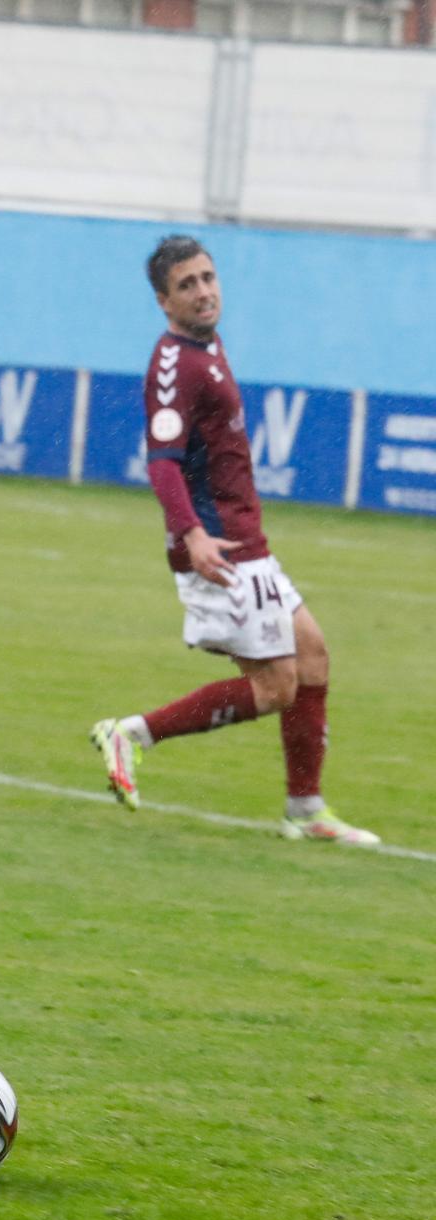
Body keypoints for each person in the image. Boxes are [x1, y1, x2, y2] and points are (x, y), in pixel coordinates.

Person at [90, 236, 377, 846]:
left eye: (208, 278)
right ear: (164, 302)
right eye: (187, 285)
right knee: (278, 687)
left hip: (247, 540)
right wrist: (191, 534)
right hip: (218, 548)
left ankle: (306, 810)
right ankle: (132, 734)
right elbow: (162, 462)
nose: (203, 292)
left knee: (314, 655)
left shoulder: (207, 344)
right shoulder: (176, 364)